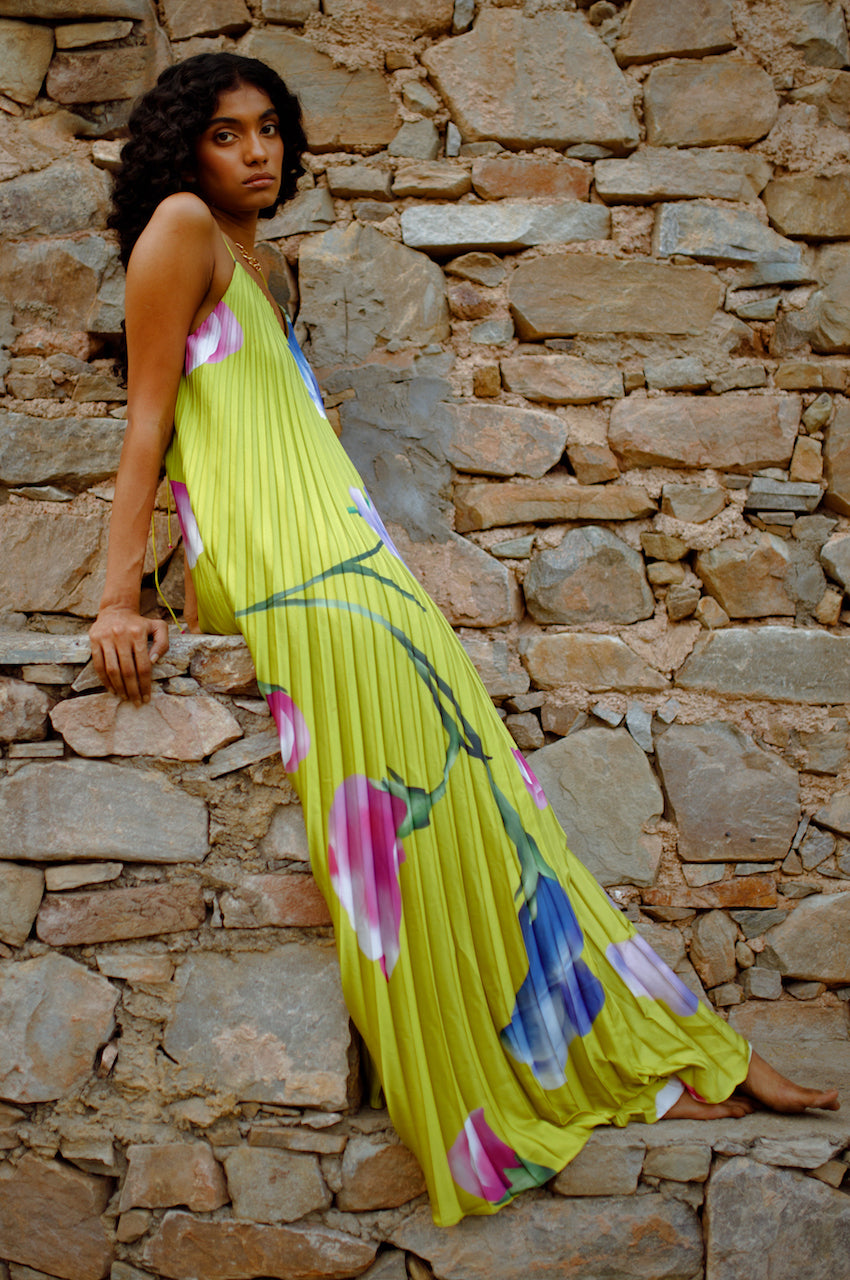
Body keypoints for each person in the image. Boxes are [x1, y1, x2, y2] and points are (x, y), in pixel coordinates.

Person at [89, 52, 838, 1228]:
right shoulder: (181, 228)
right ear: (184, 149)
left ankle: (658, 1046)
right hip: (288, 567)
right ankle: (603, 1056)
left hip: (345, 553)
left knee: (489, 788)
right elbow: (148, 427)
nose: (257, 151)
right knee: (431, 798)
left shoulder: (264, 263)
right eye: (227, 133)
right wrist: (116, 597)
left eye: (270, 128)